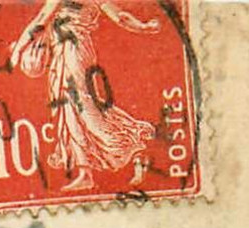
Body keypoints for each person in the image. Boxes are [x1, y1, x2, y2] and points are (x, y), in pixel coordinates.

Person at [9, 0, 160, 192]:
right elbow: (121, 18)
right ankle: (85, 173)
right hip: (70, 53)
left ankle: (132, 149)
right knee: (70, 109)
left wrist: (17, 51)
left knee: (83, 110)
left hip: (72, 53)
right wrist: (144, 27)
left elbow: (40, 19)